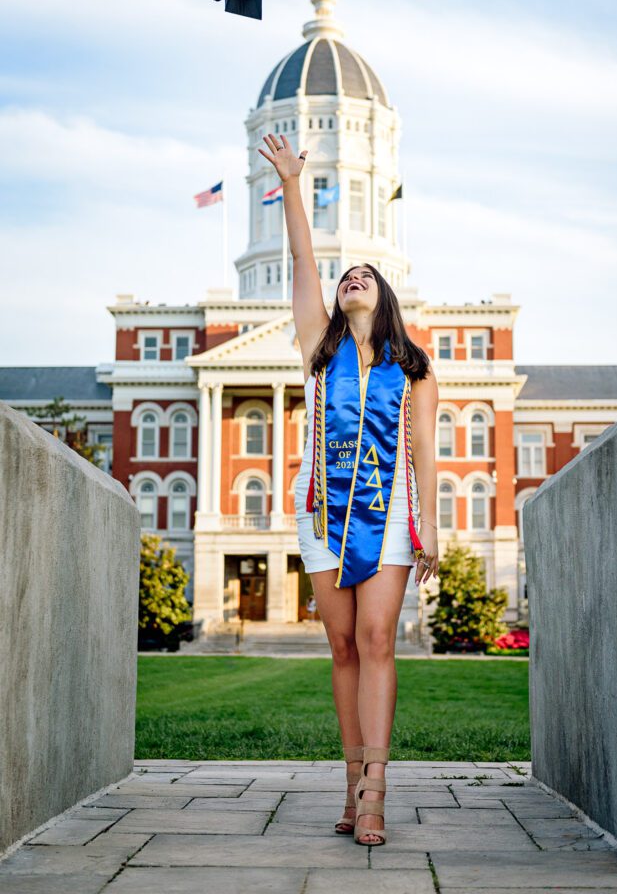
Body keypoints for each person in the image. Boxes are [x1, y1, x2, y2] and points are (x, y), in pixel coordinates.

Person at [258, 133, 439, 846]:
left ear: (383, 295)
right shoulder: (319, 350)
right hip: (321, 514)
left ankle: (376, 793)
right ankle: (349, 781)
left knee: (376, 638)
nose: (352, 277)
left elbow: (423, 453)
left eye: (366, 274)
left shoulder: (414, 366)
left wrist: (431, 531)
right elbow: (303, 262)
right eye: (346, 276)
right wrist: (293, 184)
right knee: (339, 645)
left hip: (389, 515)